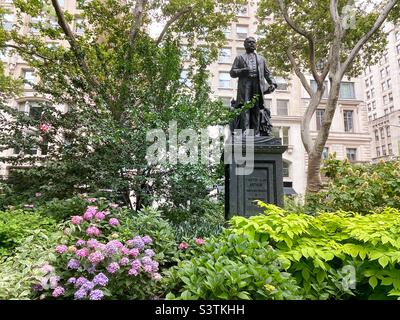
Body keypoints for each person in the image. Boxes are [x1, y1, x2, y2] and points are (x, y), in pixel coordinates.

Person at [230, 37, 277, 136]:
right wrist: (242, 71)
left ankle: (256, 134)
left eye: (253, 42)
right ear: (245, 45)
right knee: (245, 108)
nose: (252, 44)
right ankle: (246, 132)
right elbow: (232, 72)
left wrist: (273, 83)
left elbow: (267, 73)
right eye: (249, 42)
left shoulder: (261, 59)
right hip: (245, 85)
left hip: (257, 85)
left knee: (256, 108)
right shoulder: (239, 58)